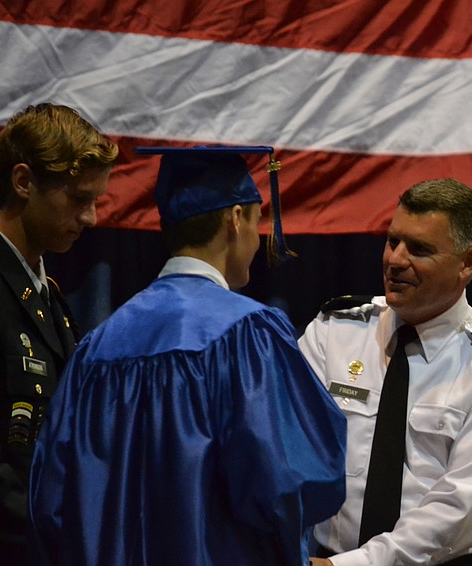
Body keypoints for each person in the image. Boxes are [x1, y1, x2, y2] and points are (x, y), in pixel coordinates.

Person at [29, 146, 347, 565]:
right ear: (236, 220)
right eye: (257, 221)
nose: (258, 238)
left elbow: (51, 501)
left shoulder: (98, 348)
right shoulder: (247, 334)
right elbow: (287, 481)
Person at [299, 178, 472, 565]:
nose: (395, 260)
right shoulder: (334, 332)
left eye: (420, 249)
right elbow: (288, 451)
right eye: (393, 241)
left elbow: (458, 511)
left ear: (468, 262)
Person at [0, 102, 118, 565]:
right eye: (79, 199)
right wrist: (66, 537)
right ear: (24, 182)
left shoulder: (50, 300)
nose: (91, 218)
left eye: (95, 201)